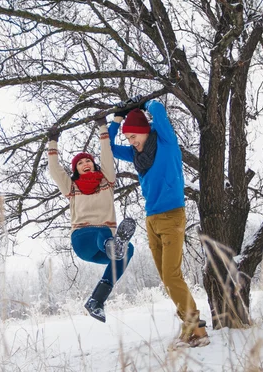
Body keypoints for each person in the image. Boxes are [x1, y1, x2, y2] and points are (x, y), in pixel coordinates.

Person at [108, 97, 210, 347]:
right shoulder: (135, 155)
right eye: (129, 138)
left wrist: (143, 105)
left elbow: (159, 111)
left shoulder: (165, 141)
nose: (131, 142)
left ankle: (195, 328)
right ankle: (191, 325)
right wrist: (117, 119)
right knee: (166, 277)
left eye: (133, 136)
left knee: (172, 275)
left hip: (172, 215)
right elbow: (108, 147)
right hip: (151, 219)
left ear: (144, 131)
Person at [47, 116, 135, 323]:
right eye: (80, 163)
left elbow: (106, 156)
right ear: (76, 169)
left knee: (128, 251)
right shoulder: (72, 188)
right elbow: (54, 169)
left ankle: (97, 300)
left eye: (88, 161)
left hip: (103, 245)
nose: (85, 163)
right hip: (83, 239)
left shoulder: (107, 181)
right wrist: (52, 141)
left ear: (94, 165)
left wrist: (103, 127)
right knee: (103, 232)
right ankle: (113, 244)